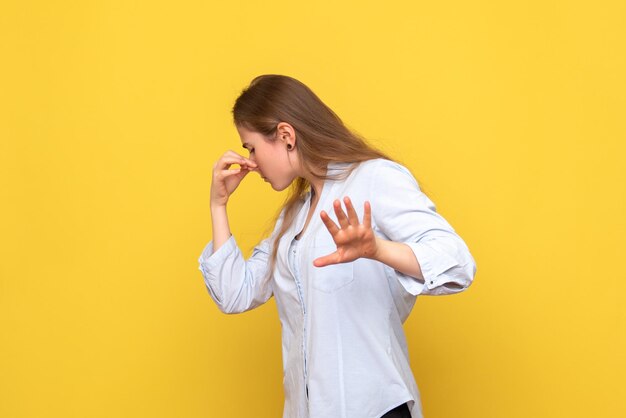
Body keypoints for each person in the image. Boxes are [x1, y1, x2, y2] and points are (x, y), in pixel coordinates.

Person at [198, 74, 477, 418]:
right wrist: (218, 205)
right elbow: (234, 293)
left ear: (286, 136)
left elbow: (458, 262)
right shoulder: (293, 220)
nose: (251, 162)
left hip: (375, 408)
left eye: (251, 147)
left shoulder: (373, 179)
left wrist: (377, 250)